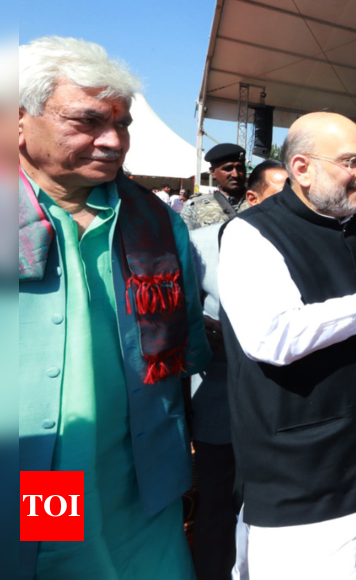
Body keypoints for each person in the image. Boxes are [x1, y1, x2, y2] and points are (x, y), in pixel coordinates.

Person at [217, 112, 356, 580]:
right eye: (351, 162)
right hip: (312, 477)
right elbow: (274, 337)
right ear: (301, 168)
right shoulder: (250, 233)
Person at [19, 36, 211, 580]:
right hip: (40, 472)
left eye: (122, 124)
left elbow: (187, 328)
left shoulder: (153, 218)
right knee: (57, 561)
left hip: (143, 465)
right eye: (87, 122)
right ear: (18, 120)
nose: (113, 141)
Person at [185, 158, 288, 580]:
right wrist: (199, 329)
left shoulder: (304, 242)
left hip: (281, 414)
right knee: (214, 510)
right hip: (218, 408)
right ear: (252, 197)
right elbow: (177, 313)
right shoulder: (199, 243)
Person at [181, 143, 248, 231]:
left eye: (240, 168)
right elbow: (185, 241)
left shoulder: (262, 201)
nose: (235, 174)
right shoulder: (195, 206)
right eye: (228, 169)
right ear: (213, 172)